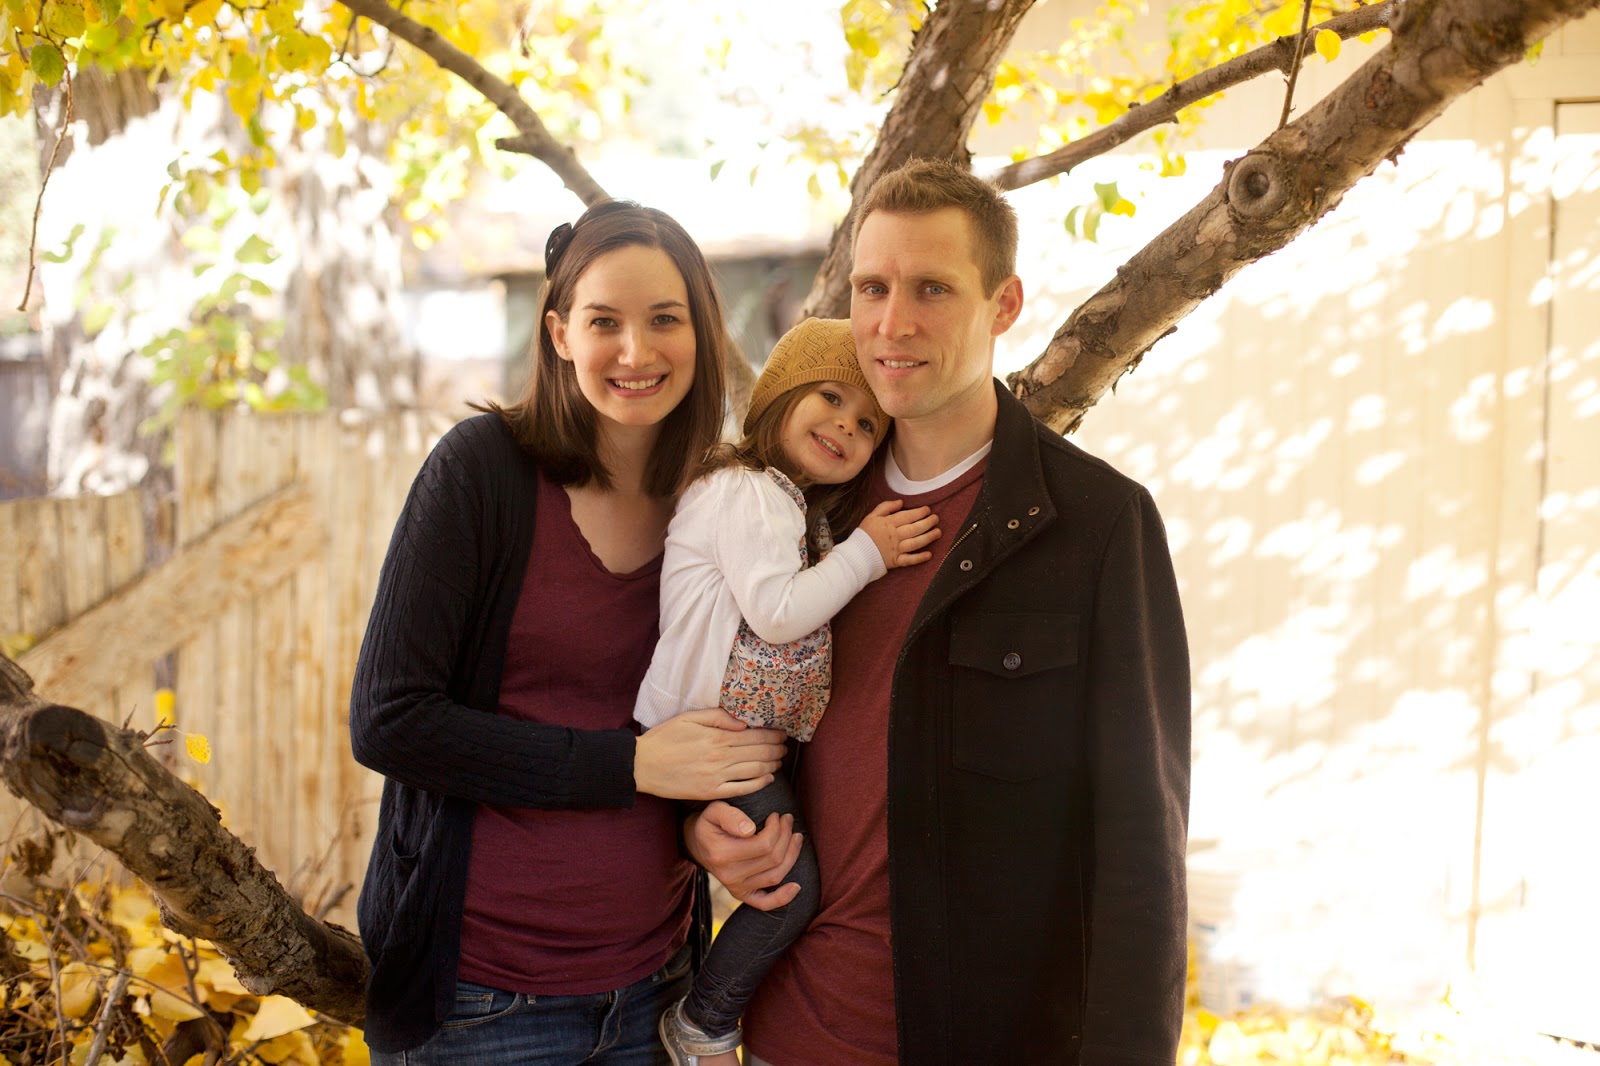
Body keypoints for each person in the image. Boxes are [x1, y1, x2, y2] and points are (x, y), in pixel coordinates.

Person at [686, 159, 1192, 1065]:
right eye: (872, 288)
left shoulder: (1094, 526)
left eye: (933, 289)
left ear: (1004, 305)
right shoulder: (807, 512)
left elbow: (1140, 853)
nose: (893, 324)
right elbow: (712, 706)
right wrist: (704, 830)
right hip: (783, 1036)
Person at [349, 199, 790, 1064]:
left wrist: (704, 825)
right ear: (559, 335)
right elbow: (390, 720)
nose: (636, 350)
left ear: (702, 333)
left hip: (659, 989)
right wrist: (627, 765)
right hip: (480, 1006)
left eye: (665, 319)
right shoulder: (481, 472)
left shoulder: (724, 503)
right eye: (604, 322)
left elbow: (717, 716)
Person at [635, 318, 940, 1066]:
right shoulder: (747, 491)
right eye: (830, 397)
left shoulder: (783, 503)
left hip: (726, 737)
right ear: (780, 394)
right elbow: (776, 613)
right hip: (707, 740)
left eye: (866, 424)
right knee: (793, 889)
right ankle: (703, 1022)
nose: (845, 426)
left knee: (777, 876)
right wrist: (869, 552)